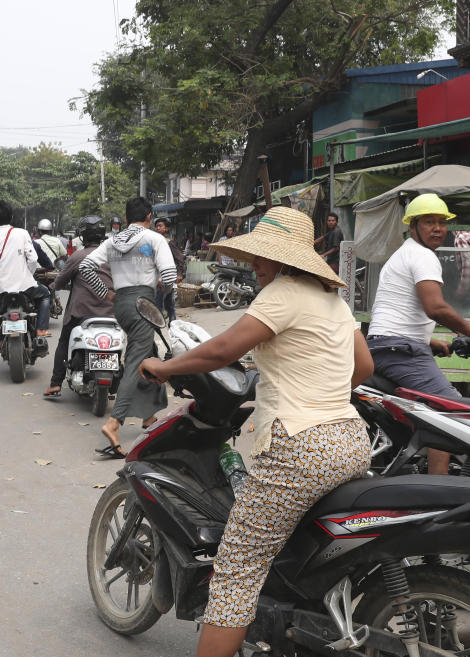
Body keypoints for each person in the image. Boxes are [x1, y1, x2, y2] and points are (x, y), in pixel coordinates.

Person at [138, 205, 373, 657]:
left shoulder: (283, 293)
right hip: (350, 441)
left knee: (237, 568)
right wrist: (317, 389)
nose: (255, 265)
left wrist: (165, 368)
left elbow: (223, 349)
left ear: (287, 260)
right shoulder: (334, 301)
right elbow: (364, 367)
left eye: (263, 257)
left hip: (301, 448)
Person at [366, 193, 470, 475]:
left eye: (442, 222)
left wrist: (430, 342)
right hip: (400, 350)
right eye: (429, 222)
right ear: (413, 226)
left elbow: (397, 311)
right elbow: (435, 308)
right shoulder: (422, 255)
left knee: (432, 409)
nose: (437, 228)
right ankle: (438, 489)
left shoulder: (405, 253)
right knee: (450, 411)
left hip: (388, 346)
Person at [79, 197, 177, 457]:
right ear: (149, 216)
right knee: (136, 363)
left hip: (121, 304)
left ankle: (148, 417)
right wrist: (162, 293)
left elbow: (85, 267)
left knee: (149, 355)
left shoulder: (112, 241)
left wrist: (107, 294)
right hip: (143, 304)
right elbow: (169, 276)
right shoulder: (154, 239)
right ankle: (114, 423)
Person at [43, 216, 114, 398]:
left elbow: (59, 282)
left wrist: (51, 287)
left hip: (81, 313)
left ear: (82, 236)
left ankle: (55, 384)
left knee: (64, 342)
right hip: (112, 312)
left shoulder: (78, 256)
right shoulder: (114, 256)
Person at [0, 200, 53, 338]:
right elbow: (33, 259)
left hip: (1, 288)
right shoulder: (22, 233)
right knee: (46, 295)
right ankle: (40, 329)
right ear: (11, 217)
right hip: (25, 286)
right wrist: (28, 273)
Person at [153, 217, 185, 322]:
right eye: (156, 226)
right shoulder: (154, 241)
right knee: (167, 300)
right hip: (157, 274)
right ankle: (172, 320)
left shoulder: (169, 242)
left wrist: (180, 273)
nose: (158, 228)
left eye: (160, 226)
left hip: (165, 275)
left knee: (160, 299)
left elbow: (179, 258)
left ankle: (160, 320)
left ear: (166, 229)